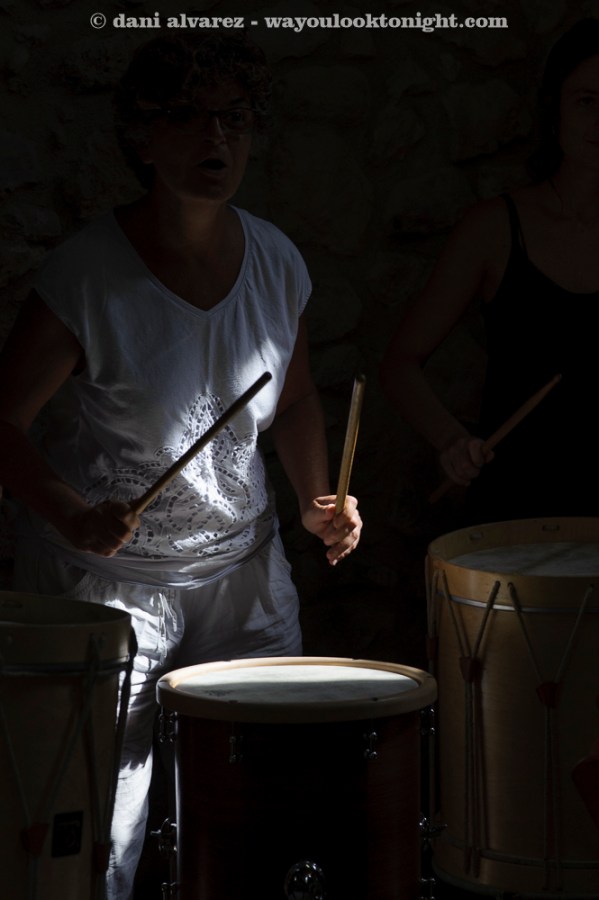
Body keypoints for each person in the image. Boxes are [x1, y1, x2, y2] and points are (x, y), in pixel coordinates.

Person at [0, 32, 362, 899]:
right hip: (113, 586)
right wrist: (69, 511)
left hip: (242, 573)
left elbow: (295, 400)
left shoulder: (275, 260)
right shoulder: (87, 275)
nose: (217, 138)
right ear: (142, 134)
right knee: (103, 833)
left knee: (257, 815)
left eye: (235, 119)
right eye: (190, 117)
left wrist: (317, 499)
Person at [380, 19, 599, 525]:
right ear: (554, 109)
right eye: (587, 101)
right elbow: (399, 364)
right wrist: (451, 440)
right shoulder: (495, 228)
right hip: (517, 510)